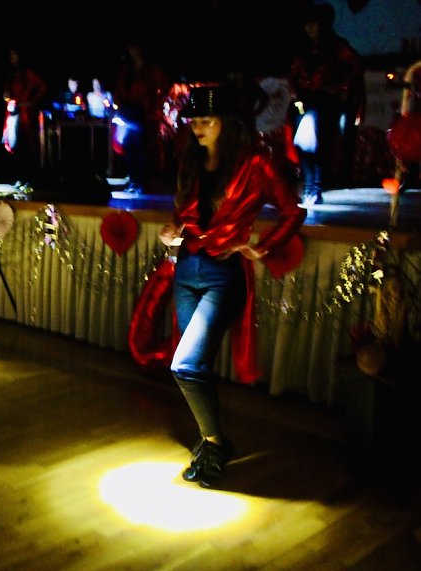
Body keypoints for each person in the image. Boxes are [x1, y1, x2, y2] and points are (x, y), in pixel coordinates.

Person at [158, 86, 305, 489]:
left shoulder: (255, 163)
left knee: (184, 364)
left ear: (228, 124)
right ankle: (210, 444)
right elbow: (184, 217)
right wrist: (172, 232)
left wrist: (262, 248)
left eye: (207, 121)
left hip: (223, 274)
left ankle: (216, 443)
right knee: (196, 366)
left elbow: (294, 211)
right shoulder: (191, 160)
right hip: (187, 267)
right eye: (195, 122)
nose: (198, 128)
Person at [288, 2, 365, 205]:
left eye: (313, 24)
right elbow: (293, 74)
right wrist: (295, 94)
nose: (309, 29)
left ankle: (316, 188)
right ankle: (309, 186)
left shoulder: (336, 46)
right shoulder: (303, 48)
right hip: (303, 102)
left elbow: (356, 65)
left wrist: (342, 88)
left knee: (318, 146)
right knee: (303, 145)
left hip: (323, 103)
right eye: (307, 25)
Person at [113, 41, 171, 194]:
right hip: (128, 110)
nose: (133, 52)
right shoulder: (127, 70)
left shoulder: (151, 69)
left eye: (135, 48)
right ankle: (133, 180)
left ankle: (141, 182)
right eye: (130, 48)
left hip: (142, 113)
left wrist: (153, 103)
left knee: (140, 147)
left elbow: (165, 86)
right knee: (128, 145)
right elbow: (119, 88)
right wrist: (119, 103)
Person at [2, 46, 47, 187]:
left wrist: (30, 102)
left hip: (25, 113)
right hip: (12, 112)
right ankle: (19, 177)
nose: (12, 58)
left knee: (26, 145)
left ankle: (29, 178)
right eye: (10, 55)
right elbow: (8, 92)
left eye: (14, 54)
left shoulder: (27, 73)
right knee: (14, 145)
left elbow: (42, 87)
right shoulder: (11, 74)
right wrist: (6, 96)